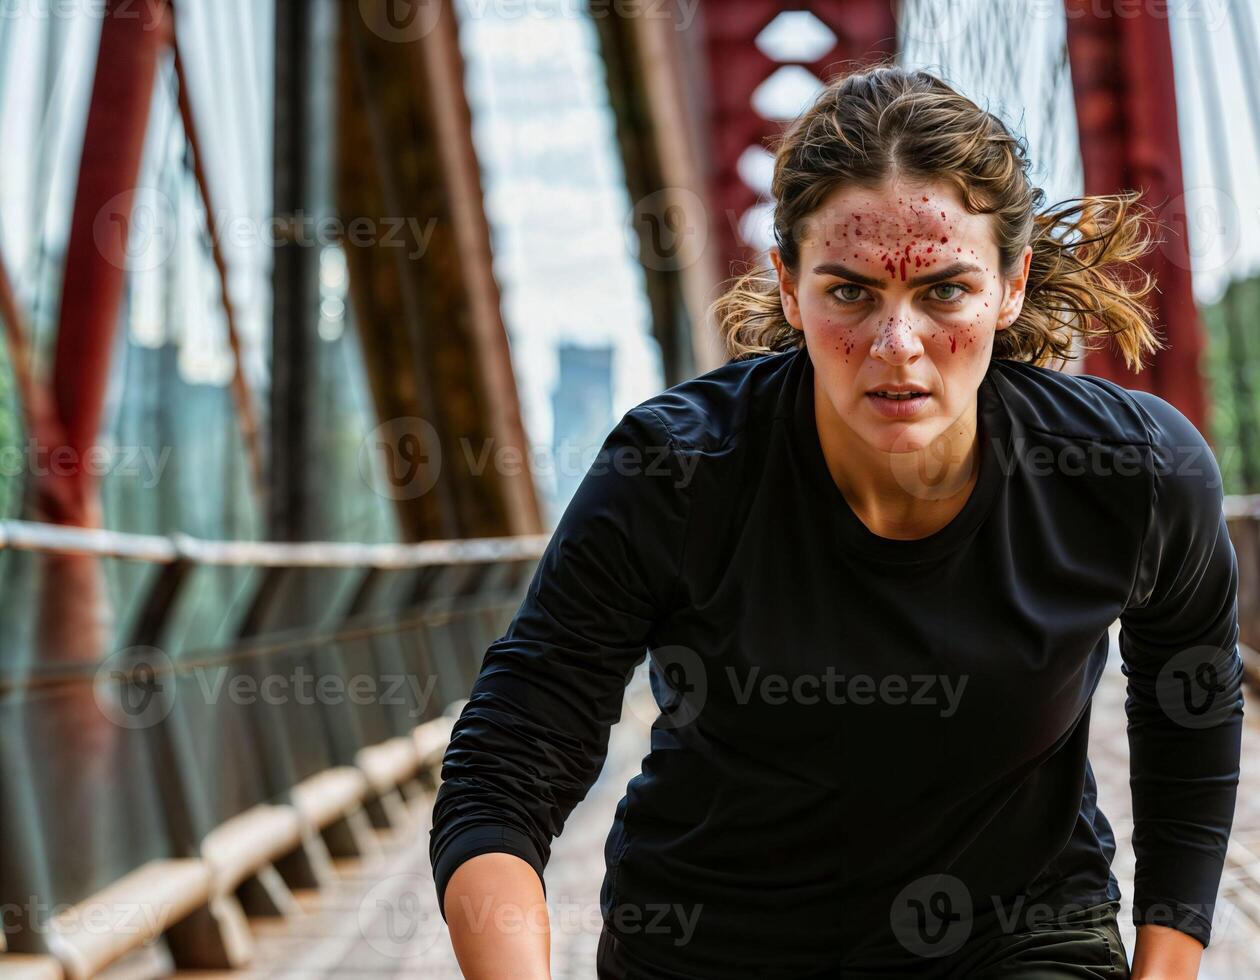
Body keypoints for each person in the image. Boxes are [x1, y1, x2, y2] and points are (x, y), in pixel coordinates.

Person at [428, 64, 1245, 980]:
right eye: (849, 292)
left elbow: (1190, 714)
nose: (897, 349)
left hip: (1014, 941)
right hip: (718, 948)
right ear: (787, 286)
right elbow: (507, 762)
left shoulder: (1131, 473)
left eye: (944, 291)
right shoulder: (676, 472)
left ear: (1011, 287)